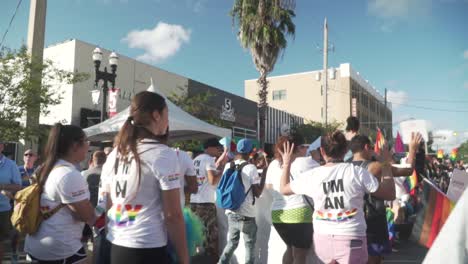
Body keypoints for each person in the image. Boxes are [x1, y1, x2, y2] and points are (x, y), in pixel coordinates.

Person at [278, 131, 396, 264]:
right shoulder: (356, 173)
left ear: (322, 151)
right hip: (352, 237)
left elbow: (284, 188)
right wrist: (385, 163)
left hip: (323, 239)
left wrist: (286, 163)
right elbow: (390, 193)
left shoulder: (313, 175)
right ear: (345, 151)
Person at [98, 91, 189, 264]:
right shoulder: (163, 154)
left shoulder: (116, 153)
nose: (168, 122)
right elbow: (173, 215)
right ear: (156, 115)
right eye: (167, 116)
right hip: (147, 246)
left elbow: (109, 202)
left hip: (115, 243)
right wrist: (184, 259)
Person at [24, 124, 96, 263]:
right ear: (75, 145)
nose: (89, 145)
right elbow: (86, 215)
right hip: (60, 250)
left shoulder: (44, 168)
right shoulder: (68, 175)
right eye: (86, 141)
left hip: (36, 244)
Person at [350, 134, 421, 264]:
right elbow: (408, 170)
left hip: (351, 222)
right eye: (372, 147)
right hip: (373, 222)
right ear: (366, 147)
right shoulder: (375, 167)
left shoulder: (344, 167)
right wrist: (412, 149)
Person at [266, 135, 318, 264]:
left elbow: (269, 186)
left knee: (289, 248)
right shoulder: (306, 162)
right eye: (302, 147)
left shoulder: (273, 164)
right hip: (299, 213)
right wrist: (316, 157)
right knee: (300, 254)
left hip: (278, 214)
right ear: (296, 148)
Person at [219, 139, 265, 264]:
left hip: (231, 210)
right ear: (250, 152)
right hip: (247, 213)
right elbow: (257, 192)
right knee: (249, 246)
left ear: (237, 150)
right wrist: (265, 172)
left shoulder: (229, 165)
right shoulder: (251, 168)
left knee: (232, 243)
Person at [190, 138, 228, 261]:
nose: (218, 150)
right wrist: (223, 169)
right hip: (206, 204)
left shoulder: (196, 160)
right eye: (217, 148)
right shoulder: (208, 159)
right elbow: (212, 181)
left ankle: (197, 259)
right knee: (211, 237)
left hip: (194, 202)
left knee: (197, 235)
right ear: (210, 148)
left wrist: (221, 162)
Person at [10, 149, 38, 263]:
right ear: (23, 157)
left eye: (31, 155)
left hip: (34, 205)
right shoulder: (17, 170)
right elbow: (13, 185)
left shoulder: (38, 171)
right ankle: (14, 252)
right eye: (26, 154)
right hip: (19, 204)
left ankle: (31, 253)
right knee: (16, 231)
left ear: (35, 157)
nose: (28, 156)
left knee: (33, 230)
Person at [0, 141, 22, 262]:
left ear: (2, 146)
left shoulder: (11, 165)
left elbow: (18, 186)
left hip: (2, 210)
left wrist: (2, 186)